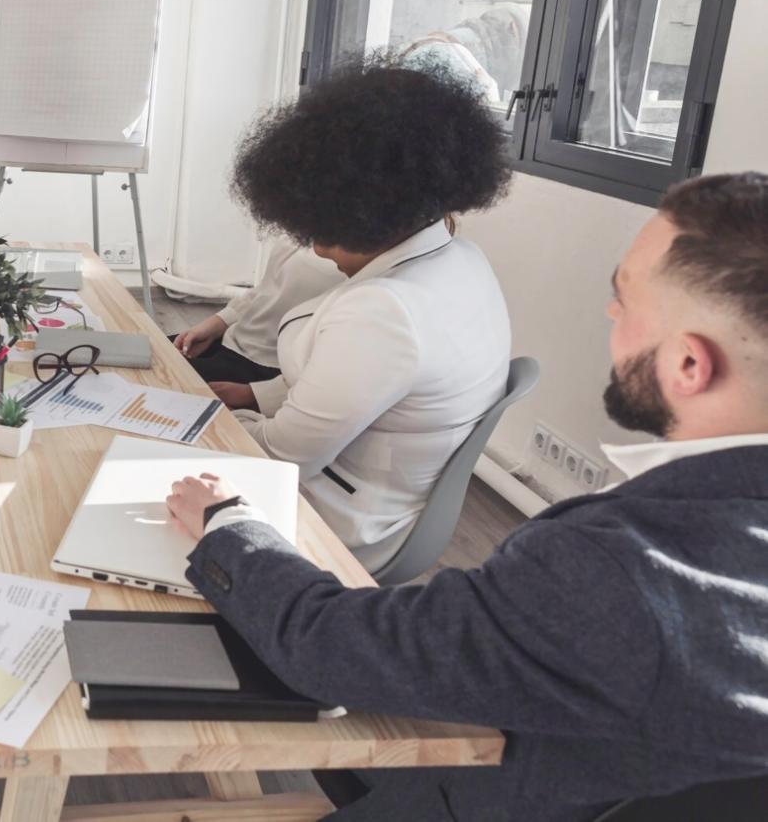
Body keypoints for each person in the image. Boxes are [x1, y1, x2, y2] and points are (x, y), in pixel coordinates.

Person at [165, 171, 768, 820]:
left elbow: (331, 648)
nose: (610, 313)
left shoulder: (616, 572)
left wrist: (229, 525)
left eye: (624, 297)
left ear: (689, 364)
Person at [215, 59, 513, 570]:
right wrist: (252, 396)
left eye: (321, 232)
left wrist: (208, 420)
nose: (316, 248)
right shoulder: (461, 259)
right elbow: (363, 388)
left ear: (361, 214)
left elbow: (281, 459)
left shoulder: (384, 314)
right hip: (377, 493)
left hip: (332, 519)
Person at [174, 239, 343, 384]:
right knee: (161, 354)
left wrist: (257, 395)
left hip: (268, 368)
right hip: (234, 340)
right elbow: (266, 289)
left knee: (165, 378)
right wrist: (217, 323)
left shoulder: (349, 262)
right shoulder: (306, 229)